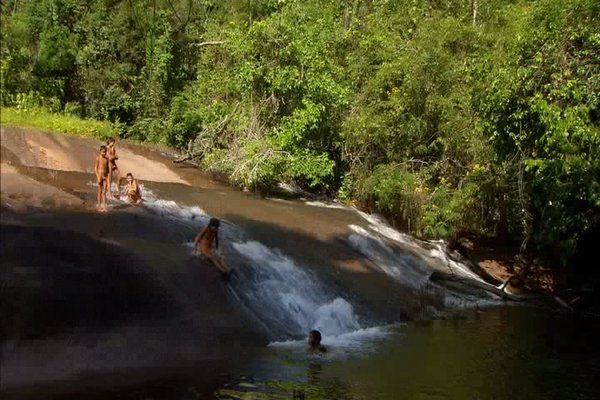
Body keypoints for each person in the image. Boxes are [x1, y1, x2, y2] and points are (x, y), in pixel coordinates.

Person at [94, 145, 109, 212]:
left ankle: (104, 207)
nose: (104, 153)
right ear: (100, 151)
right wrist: (97, 177)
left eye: (105, 152)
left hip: (105, 176)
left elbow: (108, 169)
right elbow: (95, 168)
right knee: (99, 191)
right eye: (103, 152)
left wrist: (107, 178)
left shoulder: (106, 159)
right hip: (100, 175)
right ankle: (99, 207)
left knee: (104, 192)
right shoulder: (98, 158)